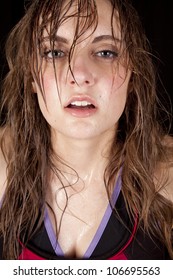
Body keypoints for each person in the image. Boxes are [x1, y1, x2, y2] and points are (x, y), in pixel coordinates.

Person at [0, 0, 173, 260]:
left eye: (105, 52)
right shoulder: (3, 165)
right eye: (55, 53)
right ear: (30, 77)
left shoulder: (167, 174)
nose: (79, 74)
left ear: (134, 74)